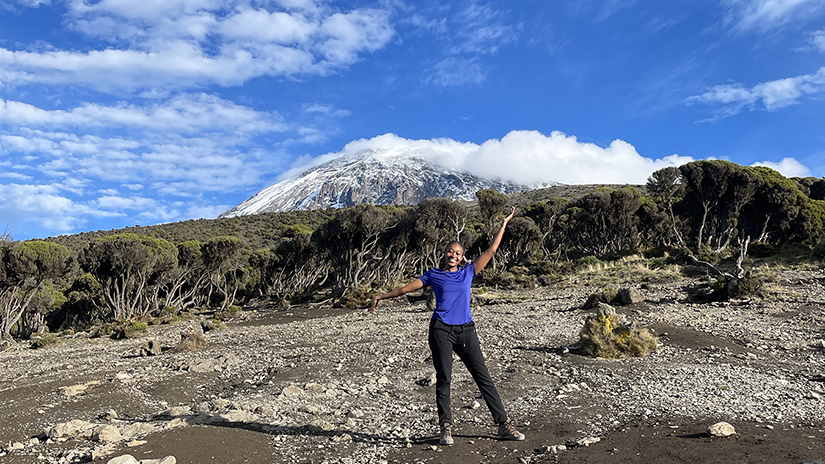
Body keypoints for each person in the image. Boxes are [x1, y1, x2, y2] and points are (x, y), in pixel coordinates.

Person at [368, 206, 525, 446]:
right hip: (441, 329)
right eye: (450, 251)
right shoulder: (433, 275)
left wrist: (504, 223)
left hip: (466, 330)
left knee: (483, 376)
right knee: (444, 378)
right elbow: (405, 289)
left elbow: (492, 249)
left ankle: (503, 424)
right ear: (445, 254)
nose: (454, 255)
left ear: (462, 257)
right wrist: (381, 297)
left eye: (458, 253)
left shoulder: (468, 272)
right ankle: (446, 428)